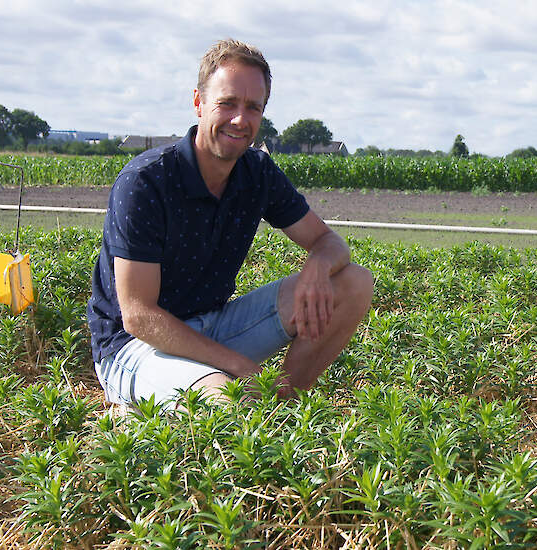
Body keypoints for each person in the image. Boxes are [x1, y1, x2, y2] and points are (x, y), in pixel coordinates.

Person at [87, 39, 373, 409]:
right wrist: (241, 367)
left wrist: (318, 266)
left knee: (353, 283)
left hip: (213, 326)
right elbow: (139, 316)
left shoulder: (256, 172)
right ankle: (141, 404)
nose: (241, 119)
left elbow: (329, 242)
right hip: (134, 348)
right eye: (228, 103)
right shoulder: (147, 181)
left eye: (253, 107)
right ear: (199, 102)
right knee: (227, 400)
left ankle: (282, 406)